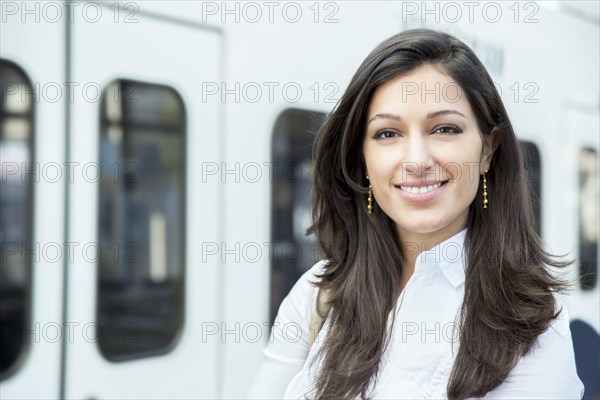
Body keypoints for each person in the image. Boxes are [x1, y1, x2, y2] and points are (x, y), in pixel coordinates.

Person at [247, 29, 584, 399]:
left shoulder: (531, 323)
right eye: (387, 134)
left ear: (488, 149)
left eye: (445, 128)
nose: (417, 161)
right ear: (362, 159)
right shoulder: (319, 293)